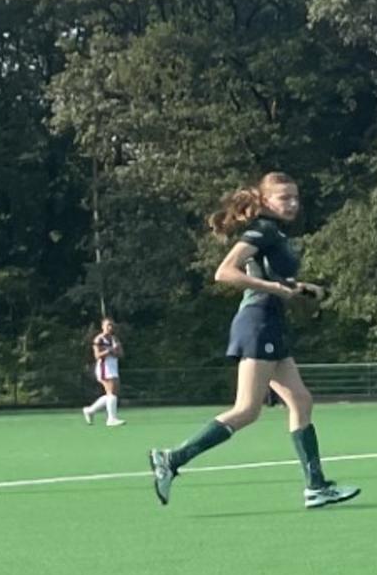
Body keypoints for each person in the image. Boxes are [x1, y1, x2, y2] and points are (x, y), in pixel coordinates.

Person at [149, 174, 359, 508]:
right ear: (264, 200)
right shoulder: (261, 230)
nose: (291, 203)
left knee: (301, 401)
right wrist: (276, 290)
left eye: (294, 197)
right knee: (247, 410)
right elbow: (225, 272)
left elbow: (271, 276)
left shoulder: (275, 233)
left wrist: (302, 288)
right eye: (283, 198)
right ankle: (171, 459)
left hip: (270, 323)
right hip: (258, 322)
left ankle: (316, 487)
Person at [82, 316, 125, 428]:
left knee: (112, 393)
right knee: (111, 393)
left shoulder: (114, 339)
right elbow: (97, 356)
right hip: (104, 368)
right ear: (103, 327)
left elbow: (120, 354)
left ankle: (90, 410)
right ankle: (111, 418)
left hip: (113, 367)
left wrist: (116, 350)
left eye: (112, 325)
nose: (110, 327)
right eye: (108, 325)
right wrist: (110, 350)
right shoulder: (99, 339)